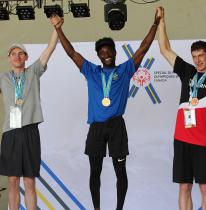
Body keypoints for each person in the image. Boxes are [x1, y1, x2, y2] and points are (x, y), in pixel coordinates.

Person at [50, 8, 161, 210]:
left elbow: (143, 48)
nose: (106, 55)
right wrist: (58, 29)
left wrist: (155, 23)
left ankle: (119, 208)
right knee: (95, 172)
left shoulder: (125, 69)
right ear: (99, 56)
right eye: (102, 53)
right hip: (96, 128)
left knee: (121, 171)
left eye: (109, 51)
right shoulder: (91, 71)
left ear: (115, 52)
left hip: (117, 126)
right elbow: (71, 52)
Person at [158, 7, 206, 210]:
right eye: (194, 56)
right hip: (181, 139)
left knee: (205, 188)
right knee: (184, 187)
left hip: (203, 141)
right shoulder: (187, 71)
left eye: (201, 55)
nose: (198, 60)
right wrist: (161, 21)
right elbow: (164, 49)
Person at [0, 29, 58, 210]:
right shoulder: (2, 78)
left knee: (30, 182)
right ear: (8, 58)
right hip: (10, 133)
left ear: (26, 57)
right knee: (12, 181)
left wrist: (56, 29)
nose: (17, 57)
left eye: (20, 54)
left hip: (30, 131)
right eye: (13, 54)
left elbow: (50, 48)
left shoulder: (33, 72)